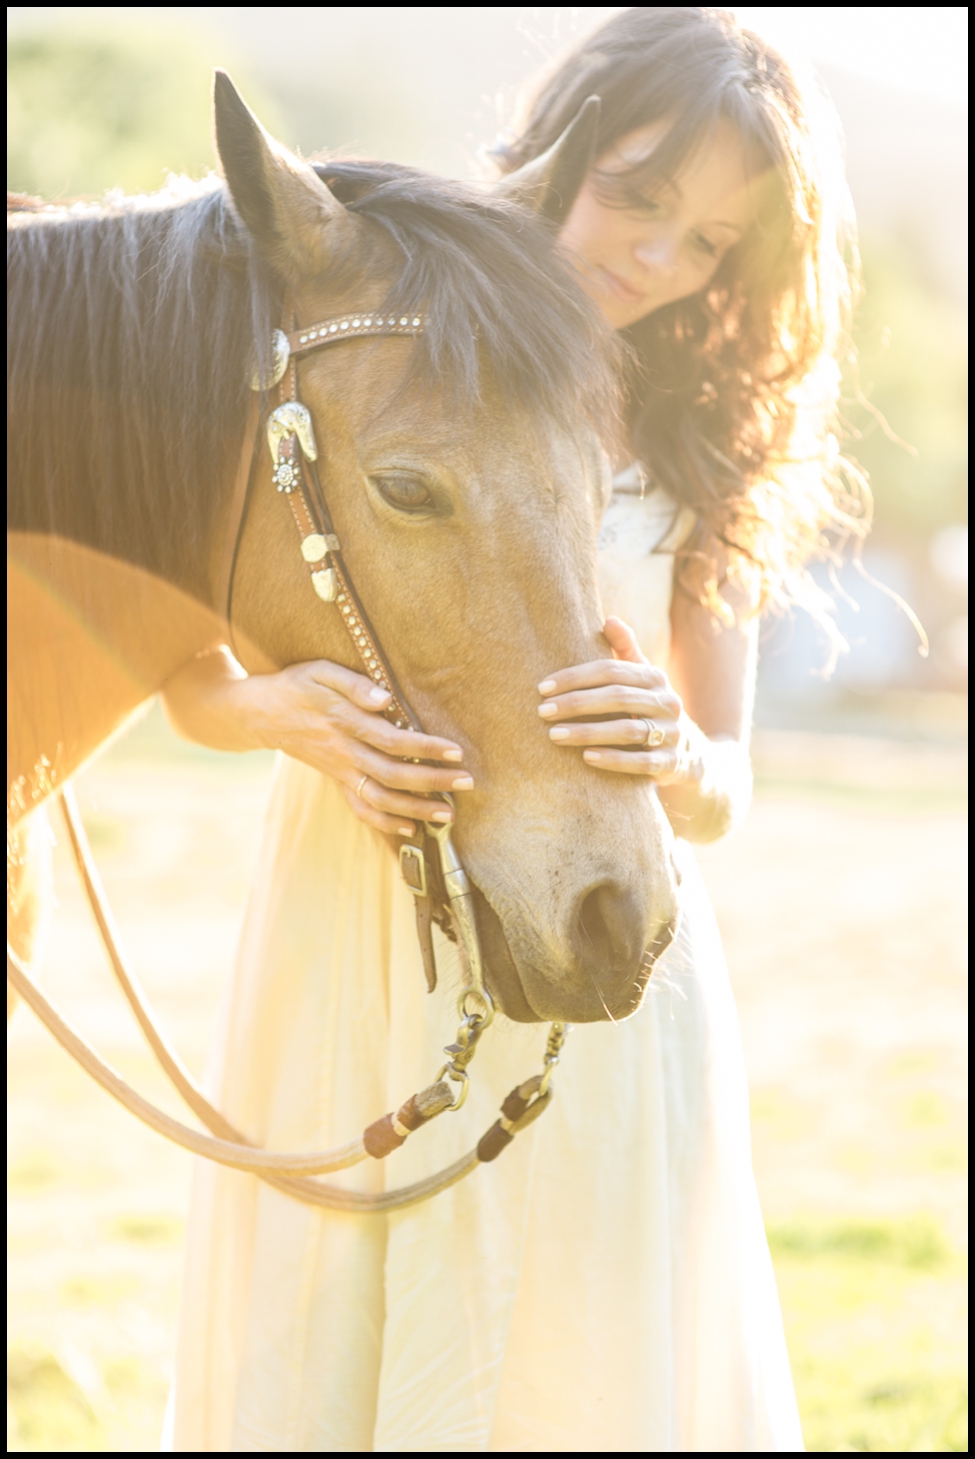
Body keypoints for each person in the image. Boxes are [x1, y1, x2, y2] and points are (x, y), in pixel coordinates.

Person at [164, 9, 863, 1449]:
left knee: (566, 1365)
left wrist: (670, 750)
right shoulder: (382, 326)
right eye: (643, 193)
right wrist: (283, 714)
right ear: (569, 136)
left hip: (593, 925)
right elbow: (187, 680)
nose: (661, 258)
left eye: (712, 245)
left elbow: (728, 776)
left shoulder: (694, 439)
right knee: (326, 1336)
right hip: (353, 925)